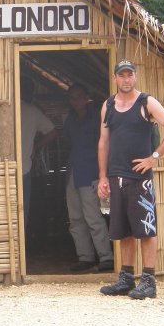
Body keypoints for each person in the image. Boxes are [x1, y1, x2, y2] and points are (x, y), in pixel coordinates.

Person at [97, 60, 164, 299]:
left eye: (129, 75)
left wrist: (153, 157)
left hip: (139, 177)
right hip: (116, 176)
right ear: (115, 78)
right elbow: (103, 142)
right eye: (121, 75)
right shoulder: (108, 106)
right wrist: (103, 176)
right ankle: (126, 278)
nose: (126, 79)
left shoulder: (146, 102)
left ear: (135, 77)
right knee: (122, 230)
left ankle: (148, 280)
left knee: (145, 228)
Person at [63, 84, 114, 272]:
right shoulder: (70, 119)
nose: (75, 101)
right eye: (72, 98)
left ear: (87, 98)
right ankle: (85, 257)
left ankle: (106, 257)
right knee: (75, 218)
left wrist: (104, 174)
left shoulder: (97, 117)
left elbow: (107, 143)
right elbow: (68, 142)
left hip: (92, 173)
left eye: (78, 96)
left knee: (93, 217)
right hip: (73, 174)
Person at [19, 76, 57, 232]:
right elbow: (53, 132)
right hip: (25, 168)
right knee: (23, 210)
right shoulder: (32, 111)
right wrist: (36, 146)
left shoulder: (3, 109)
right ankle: (23, 248)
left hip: (3, 169)